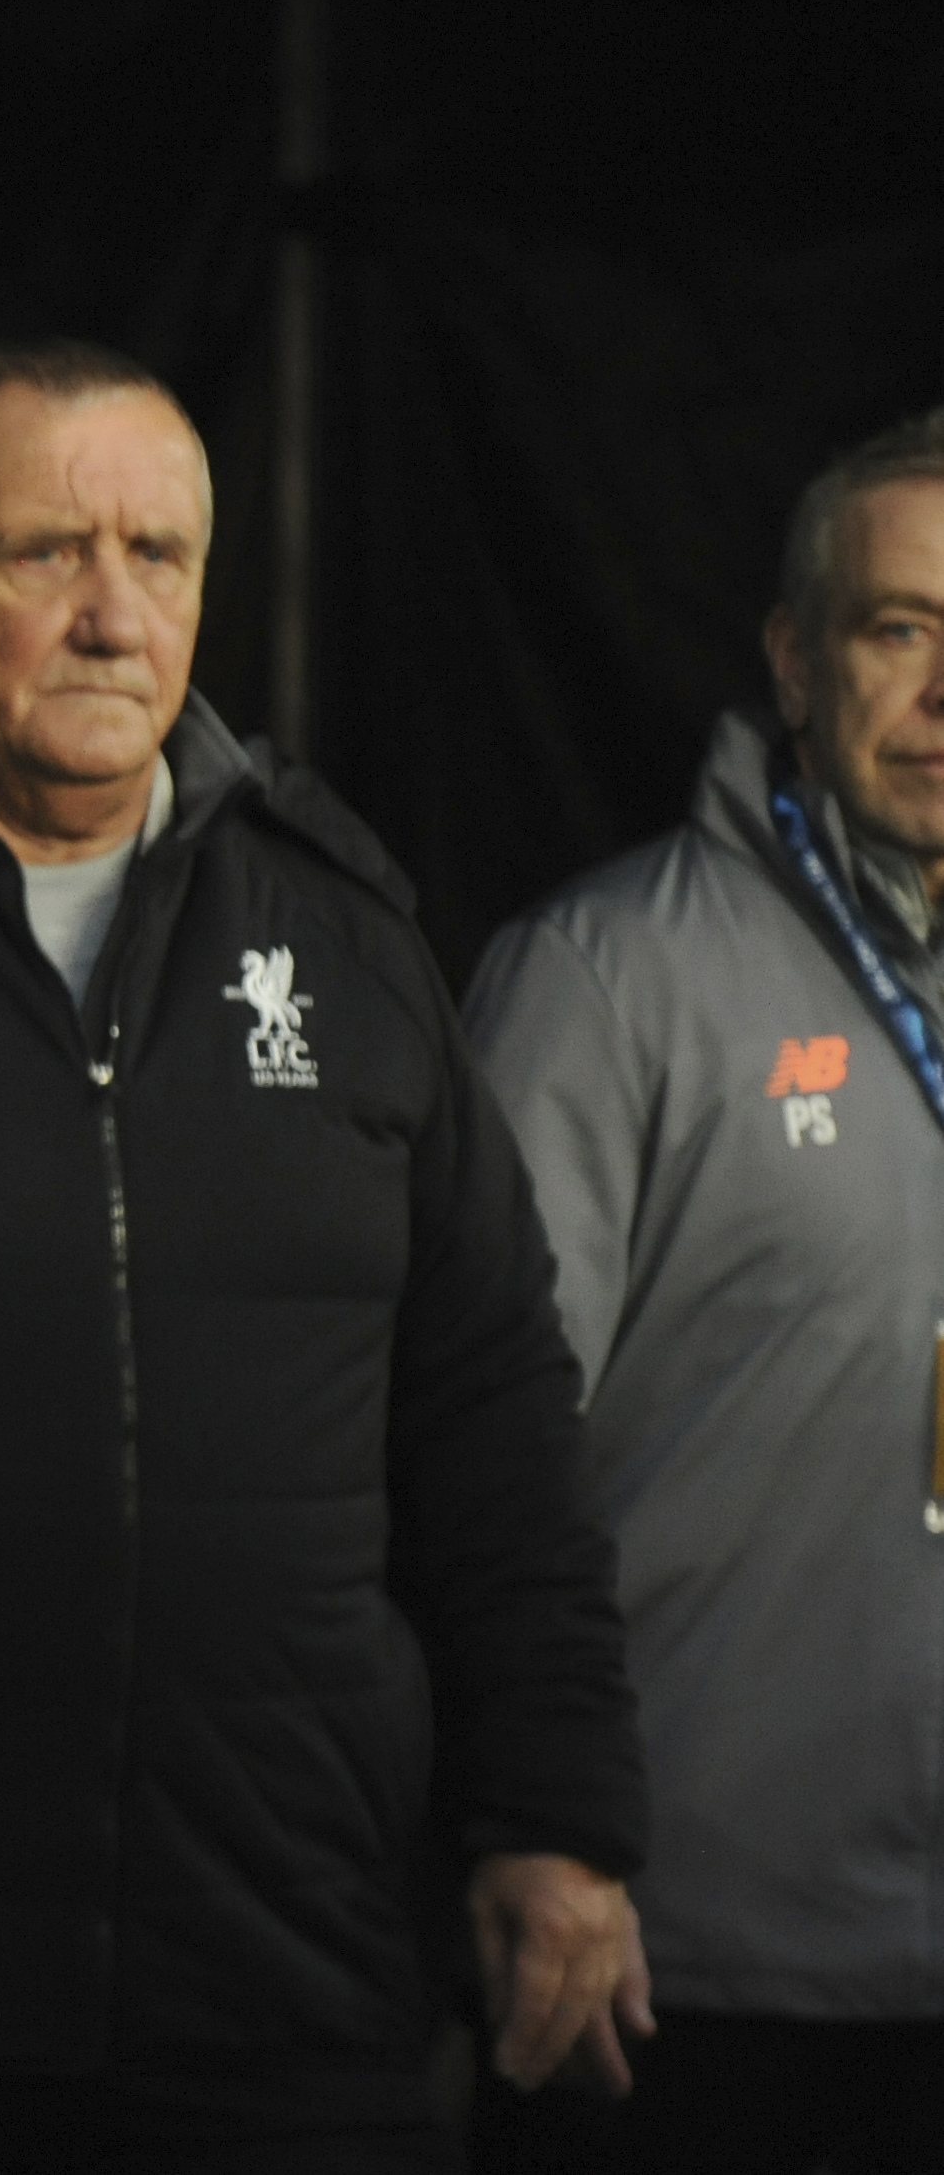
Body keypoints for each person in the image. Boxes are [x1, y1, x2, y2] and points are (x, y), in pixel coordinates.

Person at [0, 340, 651, 2172]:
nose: (113, 611)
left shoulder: (338, 914)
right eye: (45, 549)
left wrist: (557, 1817)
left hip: (284, 1994)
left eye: (160, 553)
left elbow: (491, 1417)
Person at [462, 415, 944, 2173]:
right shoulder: (606, 982)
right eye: (901, 628)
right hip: (693, 1969)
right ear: (793, 658)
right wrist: (531, 1824)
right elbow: (471, 1462)